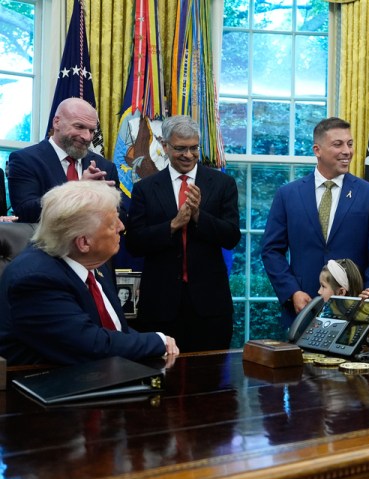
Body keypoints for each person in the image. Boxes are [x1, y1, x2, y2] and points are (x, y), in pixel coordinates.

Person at [0, 181, 179, 365]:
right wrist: (157, 341)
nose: (121, 227)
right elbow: (92, 346)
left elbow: (116, 330)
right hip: (52, 387)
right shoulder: (35, 280)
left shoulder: (92, 262)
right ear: (84, 243)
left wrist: (151, 341)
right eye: (112, 224)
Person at [125, 115, 240, 352]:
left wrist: (199, 216)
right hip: (160, 305)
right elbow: (134, 243)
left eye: (194, 148)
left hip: (210, 306)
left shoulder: (222, 184)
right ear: (164, 146)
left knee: (210, 379)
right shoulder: (145, 188)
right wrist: (172, 225)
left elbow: (231, 237)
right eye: (180, 148)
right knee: (162, 379)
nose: (188, 155)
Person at [261, 117, 369, 325]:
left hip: (352, 312)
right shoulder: (288, 195)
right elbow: (271, 250)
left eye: (350, 144)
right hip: (302, 308)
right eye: (337, 144)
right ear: (317, 150)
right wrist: (292, 292)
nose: (347, 151)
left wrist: (362, 297)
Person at [7, 98, 120, 223]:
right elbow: (26, 212)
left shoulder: (105, 167)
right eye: (79, 126)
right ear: (57, 123)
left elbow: (120, 218)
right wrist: (79, 190)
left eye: (92, 130)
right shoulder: (25, 160)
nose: (87, 137)